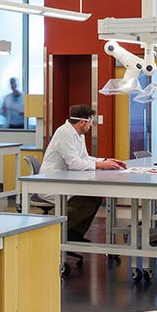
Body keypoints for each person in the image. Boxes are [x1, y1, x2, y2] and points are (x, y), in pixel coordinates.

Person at [40, 103, 125, 242]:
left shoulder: (79, 135)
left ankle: (73, 233)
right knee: (85, 202)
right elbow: (74, 163)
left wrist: (105, 160)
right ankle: (48, 229)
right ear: (82, 122)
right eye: (90, 123)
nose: (91, 126)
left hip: (66, 180)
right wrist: (100, 165)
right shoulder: (65, 132)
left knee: (95, 196)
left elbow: (84, 158)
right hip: (52, 182)